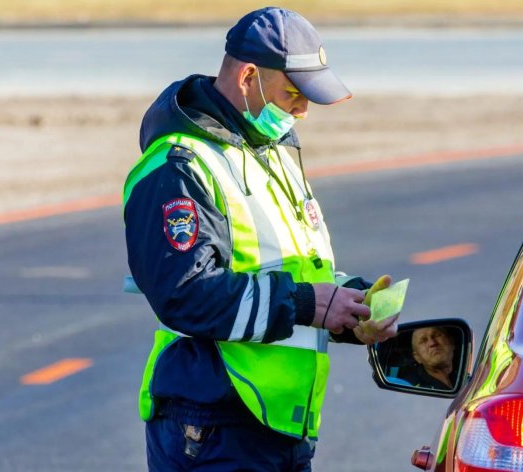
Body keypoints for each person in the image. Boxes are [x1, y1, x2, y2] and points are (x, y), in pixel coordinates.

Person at [123, 7, 398, 470]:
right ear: (248, 77)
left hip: (279, 427)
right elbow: (186, 296)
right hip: (213, 424)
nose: (303, 111)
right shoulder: (179, 166)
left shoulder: (273, 152)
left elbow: (292, 267)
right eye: (294, 94)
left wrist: (351, 305)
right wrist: (309, 304)